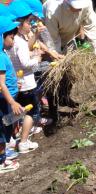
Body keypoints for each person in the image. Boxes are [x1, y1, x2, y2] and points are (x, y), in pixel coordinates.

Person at [8, 1, 44, 153]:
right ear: (19, 24)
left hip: (17, 82)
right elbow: (25, 63)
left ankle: (12, 138)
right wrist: (37, 59)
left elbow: (17, 59)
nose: (31, 25)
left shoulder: (11, 41)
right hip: (27, 84)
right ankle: (23, 142)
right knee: (32, 113)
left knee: (17, 112)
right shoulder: (20, 42)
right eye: (29, 22)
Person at [0, 16, 22, 173]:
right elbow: (0, 84)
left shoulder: (2, 53)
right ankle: (2, 162)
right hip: (4, 100)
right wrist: (12, 102)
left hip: (6, 99)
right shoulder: (0, 57)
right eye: (11, 37)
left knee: (6, 126)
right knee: (1, 129)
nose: (13, 41)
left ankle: (3, 153)